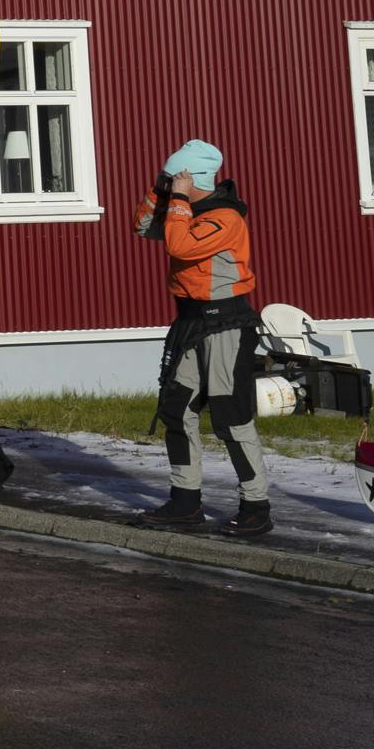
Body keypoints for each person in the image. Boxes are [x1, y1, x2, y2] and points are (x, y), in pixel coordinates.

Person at [136, 139, 270, 537]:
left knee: (230, 416)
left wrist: (177, 200)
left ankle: (256, 505)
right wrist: (159, 192)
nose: (171, 180)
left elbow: (179, 243)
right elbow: (144, 226)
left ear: (193, 177)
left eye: (177, 174)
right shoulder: (185, 210)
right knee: (177, 410)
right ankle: (185, 503)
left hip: (226, 323)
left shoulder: (225, 218)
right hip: (191, 322)